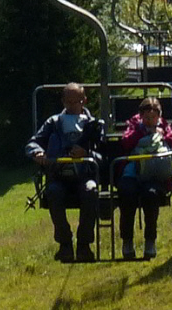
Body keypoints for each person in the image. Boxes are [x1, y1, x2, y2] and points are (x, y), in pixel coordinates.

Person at [26, 83, 102, 263]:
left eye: (76, 101)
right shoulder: (53, 123)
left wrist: (87, 154)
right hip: (59, 176)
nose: (72, 105)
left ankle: (84, 245)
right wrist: (37, 152)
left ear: (84, 101)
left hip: (84, 176)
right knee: (53, 192)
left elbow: (103, 154)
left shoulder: (94, 125)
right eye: (68, 102)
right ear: (63, 101)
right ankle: (65, 244)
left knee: (90, 191)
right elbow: (33, 142)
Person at [117, 97, 172, 260]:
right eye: (146, 117)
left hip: (154, 174)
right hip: (133, 172)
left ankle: (150, 241)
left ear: (159, 116)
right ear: (140, 116)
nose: (149, 120)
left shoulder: (164, 127)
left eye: (153, 117)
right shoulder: (134, 126)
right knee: (127, 193)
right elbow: (125, 142)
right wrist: (141, 133)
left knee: (151, 195)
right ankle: (127, 241)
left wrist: (164, 135)